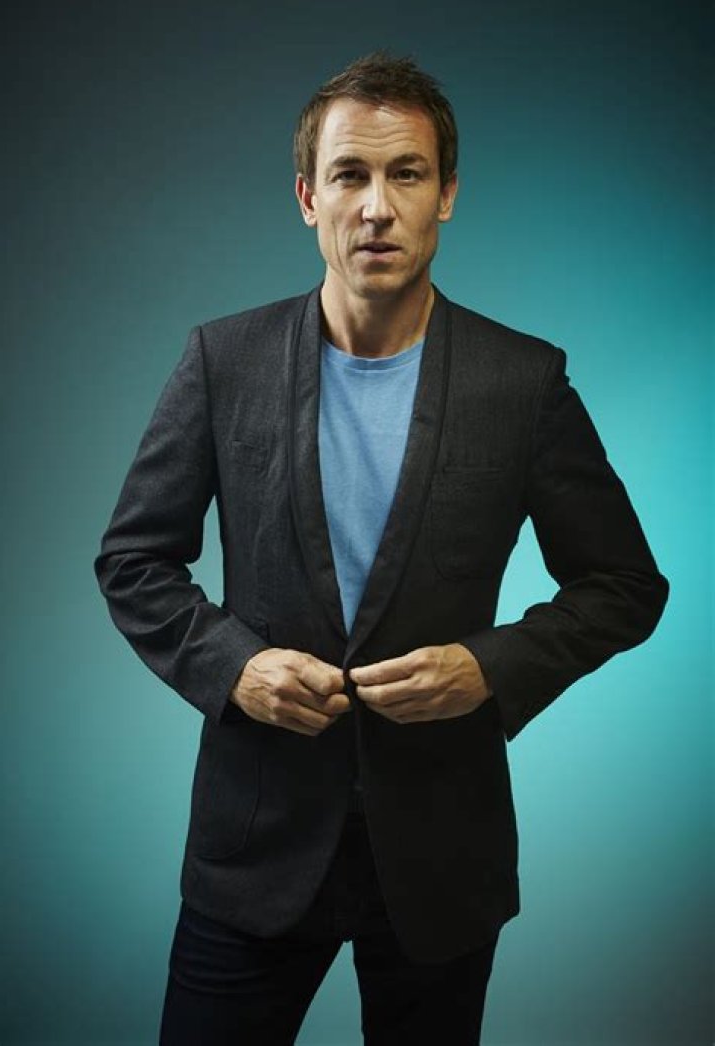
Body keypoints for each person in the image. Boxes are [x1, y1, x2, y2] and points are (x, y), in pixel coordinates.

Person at [95, 52, 668, 1045]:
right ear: (307, 197)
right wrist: (236, 668)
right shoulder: (223, 362)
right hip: (257, 841)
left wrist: (487, 669)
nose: (376, 207)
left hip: (442, 853)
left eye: (406, 174)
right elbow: (133, 561)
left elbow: (624, 584)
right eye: (350, 175)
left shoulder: (522, 383)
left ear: (447, 195)